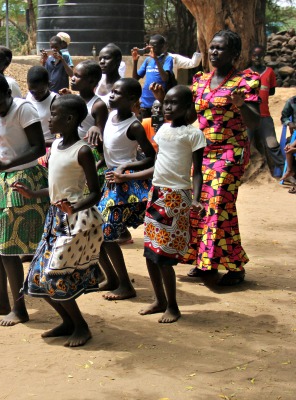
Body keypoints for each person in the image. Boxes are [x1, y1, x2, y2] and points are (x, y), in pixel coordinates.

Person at [14, 94, 103, 347]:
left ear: (70, 119)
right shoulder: (55, 146)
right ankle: (68, 322)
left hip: (72, 222)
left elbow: (95, 193)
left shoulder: (82, 151)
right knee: (38, 278)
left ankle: (81, 326)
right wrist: (32, 193)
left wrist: (73, 207)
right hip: (54, 219)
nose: (49, 119)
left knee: (54, 276)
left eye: (54, 115)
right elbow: (55, 191)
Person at [0, 72, 48, 326]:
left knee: (8, 249)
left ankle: (19, 308)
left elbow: (37, 148)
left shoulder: (23, 109)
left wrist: (7, 163)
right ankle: (2, 300)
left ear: (8, 94)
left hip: (20, 182)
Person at [184, 30, 260, 286]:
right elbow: (191, 118)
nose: (214, 52)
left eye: (221, 48)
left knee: (219, 205)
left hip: (231, 151)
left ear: (235, 54)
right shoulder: (200, 81)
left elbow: (254, 122)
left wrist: (240, 104)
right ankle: (205, 262)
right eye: (212, 48)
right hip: (204, 151)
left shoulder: (245, 81)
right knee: (200, 205)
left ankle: (235, 268)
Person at [139, 86, 205, 323]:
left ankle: (173, 307)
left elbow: (197, 171)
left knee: (164, 255)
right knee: (150, 252)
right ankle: (159, 300)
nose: (167, 107)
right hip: (156, 193)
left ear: (187, 107)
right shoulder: (163, 129)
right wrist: (130, 175)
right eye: (166, 102)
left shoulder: (193, 134)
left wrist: (196, 198)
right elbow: (159, 163)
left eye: (174, 103)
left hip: (177, 196)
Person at [98, 78, 156, 300]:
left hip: (123, 185)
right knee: (98, 232)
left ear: (132, 100)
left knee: (106, 234)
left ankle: (124, 284)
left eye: (118, 93)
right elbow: (108, 152)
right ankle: (112, 278)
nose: (112, 96)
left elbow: (150, 157)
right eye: (112, 91)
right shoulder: (111, 118)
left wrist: (125, 167)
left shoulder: (134, 126)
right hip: (109, 180)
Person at [244, 45, 283, 177]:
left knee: (273, 145)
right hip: (248, 116)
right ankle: (240, 174)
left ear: (263, 56)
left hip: (264, 115)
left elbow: (271, 91)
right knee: (244, 144)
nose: (257, 58)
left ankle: (285, 172)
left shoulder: (269, 72)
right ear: (250, 56)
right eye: (254, 55)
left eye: (260, 55)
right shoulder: (245, 74)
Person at [132, 34, 174, 119]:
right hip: (145, 102)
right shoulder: (148, 60)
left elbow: (165, 78)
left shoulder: (167, 59)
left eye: (154, 46)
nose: (151, 48)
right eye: (150, 45)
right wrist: (135, 61)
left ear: (162, 47)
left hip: (158, 102)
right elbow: (135, 78)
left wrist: (156, 59)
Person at [26, 65, 58, 167]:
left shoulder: (55, 101)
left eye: (40, 91)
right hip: (28, 144)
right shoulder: (27, 98)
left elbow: (63, 135)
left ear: (48, 84)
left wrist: (53, 148)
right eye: (32, 91)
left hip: (47, 144)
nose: (35, 95)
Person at [280, 96, 296, 185]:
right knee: (288, 146)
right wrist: (289, 123)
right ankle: (291, 172)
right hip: (295, 134)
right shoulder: (292, 101)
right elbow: (284, 117)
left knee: (291, 148)